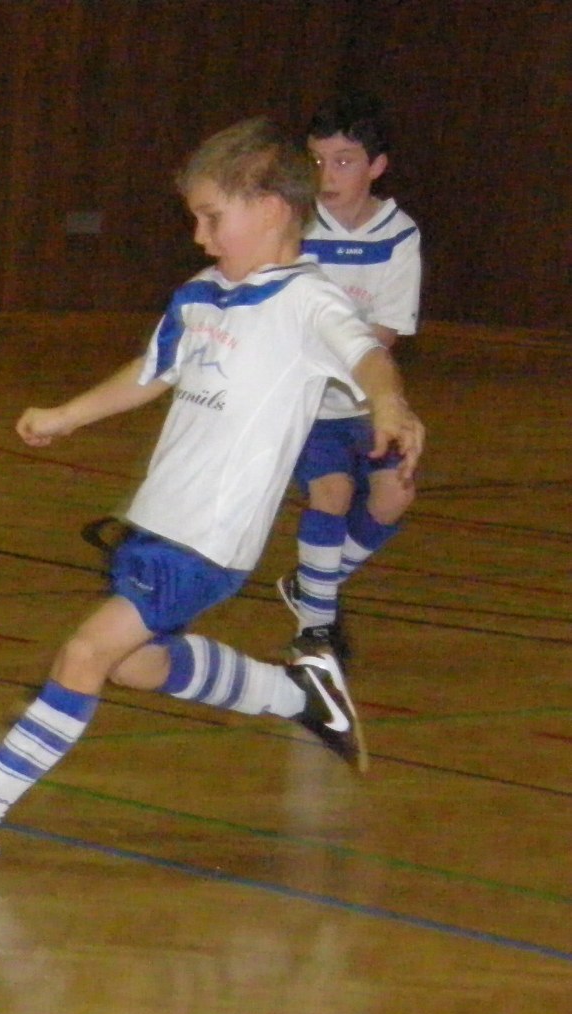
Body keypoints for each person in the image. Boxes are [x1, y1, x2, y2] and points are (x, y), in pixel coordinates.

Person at [0, 116, 424, 865]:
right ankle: (296, 696)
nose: (201, 238)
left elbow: (368, 358)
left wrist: (389, 405)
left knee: (85, 653)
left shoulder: (310, 303)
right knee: (134, 662)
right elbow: (152, 372)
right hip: (154, 522)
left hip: (209, 538)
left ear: (272, 208)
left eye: (213, 218)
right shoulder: (201, 294)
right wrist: (68, 414)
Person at [278, 91, 422, 663]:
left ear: (377, 166)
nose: (327, 174)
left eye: (343, 161)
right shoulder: (292, 227)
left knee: (394, 496)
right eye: (316, 160)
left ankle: (313, 587)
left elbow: (383, 334)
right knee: (332, 492)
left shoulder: (398, 236)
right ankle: (315, 632)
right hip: (308, 404)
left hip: (365, 401)